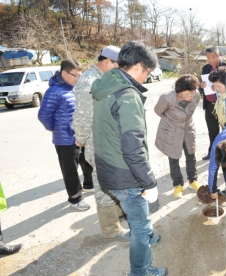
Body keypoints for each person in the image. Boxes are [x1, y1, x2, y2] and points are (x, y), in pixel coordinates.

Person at [91, 41, 167, 276]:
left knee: (138, 220)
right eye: (148, 72)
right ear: (139, 67)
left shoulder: (105, 84)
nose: (147, 78)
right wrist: (150, 182)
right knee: (140, 225)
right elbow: (133, 149)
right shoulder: (127, 95)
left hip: (107, 166)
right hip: (125, 174)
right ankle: (140, 271)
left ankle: (146, 238)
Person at [72, 46, 130, 241]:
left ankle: (118, 214)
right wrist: (81, 138)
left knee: (113, 179)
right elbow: (83, 116)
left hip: (108, 139)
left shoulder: (104, 79)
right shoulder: (90, 81)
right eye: (118, 67)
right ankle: (111, 230)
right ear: (107, 62)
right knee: (103, 184)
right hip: (98, 143)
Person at [38, 58, 91, 211]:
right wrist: (58, 130)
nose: (78, 78)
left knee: (85, 161)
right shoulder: (54, 91)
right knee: (70, 171)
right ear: (64, 73)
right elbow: (43, 115)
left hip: (79, 136)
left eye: (80, 75)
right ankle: (75, 199)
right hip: (65, 139)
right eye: (75, 75)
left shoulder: (73, 88)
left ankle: (88, 184)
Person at [154, 74, 200, 198]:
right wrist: (170, 121)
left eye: (191, 94)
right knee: (173, 157)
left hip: (187, 128)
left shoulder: (197, 95)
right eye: (185, 96)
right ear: (178, 92)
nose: (189, 98)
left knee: (191, 154)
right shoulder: (167, 98)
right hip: (172, 130)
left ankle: (193, 179)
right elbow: (158, 111)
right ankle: (178, 184)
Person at [199, 46, 226, 160]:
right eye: (208, 57)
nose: (211, 60)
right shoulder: (205, 68)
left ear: (219, 56)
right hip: (209, 104)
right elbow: (201, 85)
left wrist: (219, 85)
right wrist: (201, 86)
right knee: (212, 131)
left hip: (224, 105)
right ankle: (212, 153)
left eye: (213, 57)